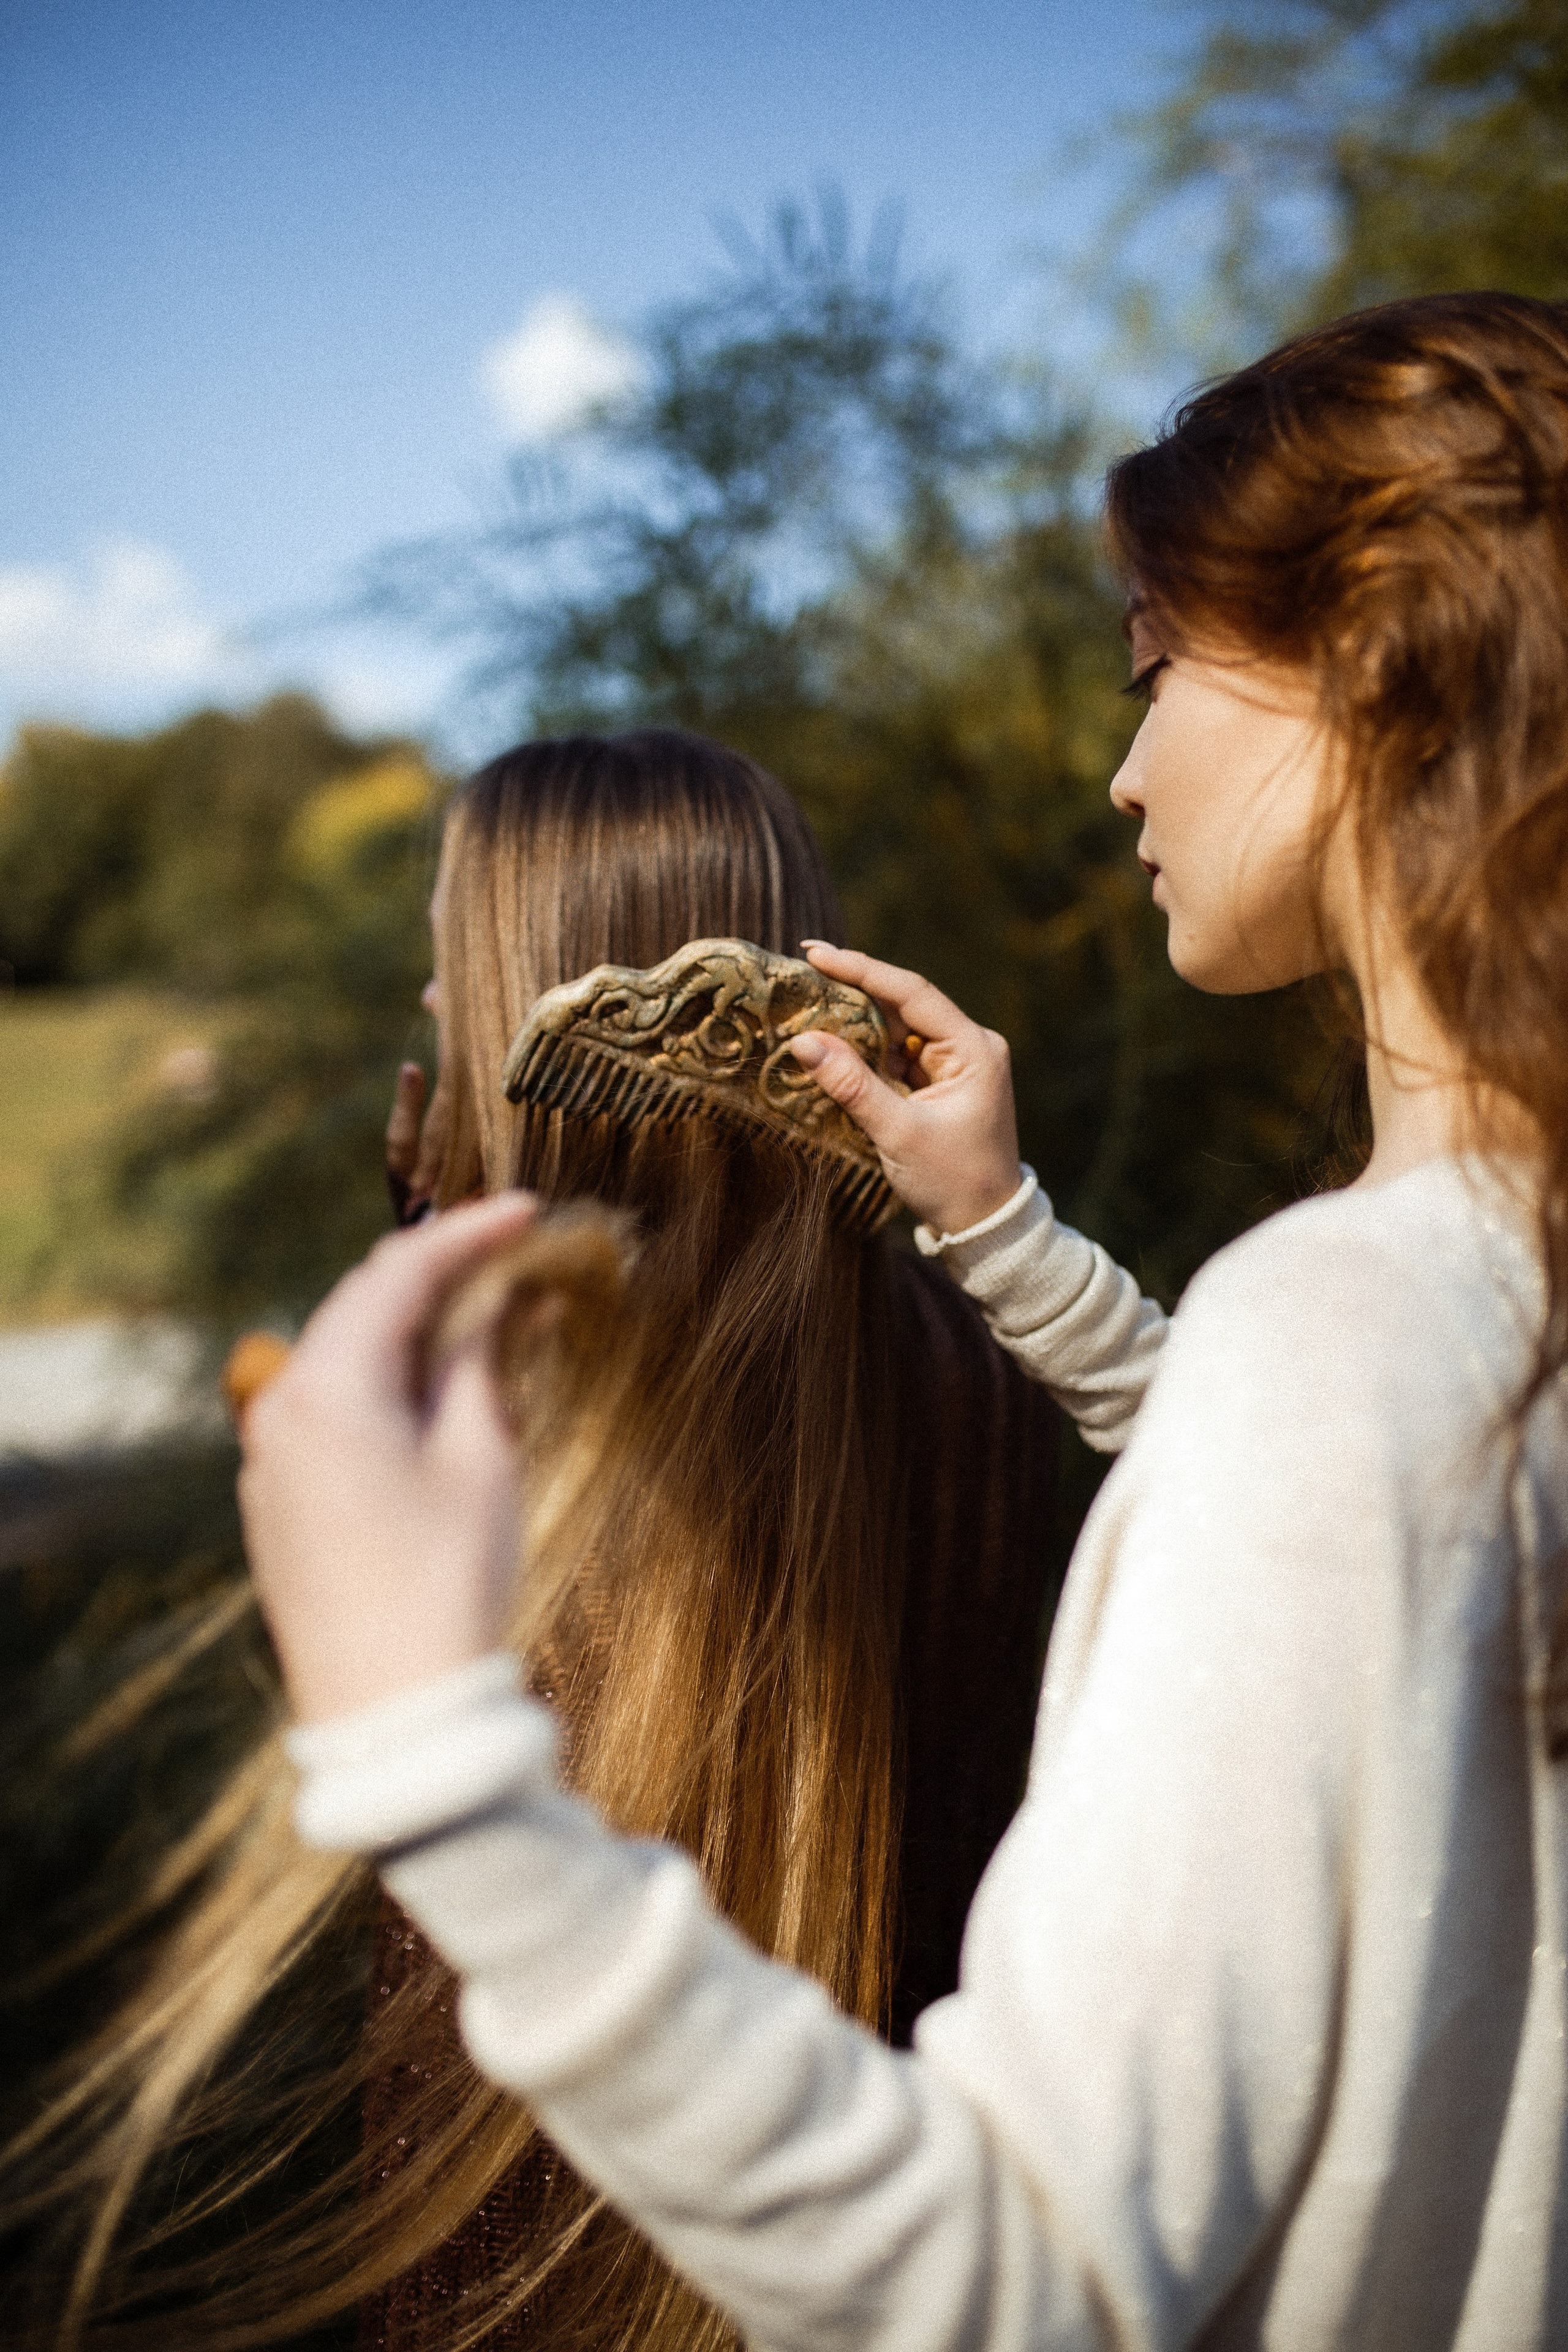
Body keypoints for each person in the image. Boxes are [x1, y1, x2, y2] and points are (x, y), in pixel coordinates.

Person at [241, 290, 1568, 2350]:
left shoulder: (1341, 1333)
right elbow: (1325, 1516)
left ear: (1376, 664)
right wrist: (1011, 1239)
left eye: (1157, 669)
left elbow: (1019, 2277)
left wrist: (429, 1751)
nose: (1127, 774)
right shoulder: (1486, 1305)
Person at [13, 731, 1158, 2352]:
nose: (427, 1010)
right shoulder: (986, 1368)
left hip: (523, 2235)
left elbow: (364, 1743)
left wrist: (414, 1301)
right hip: (877, 2222)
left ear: (526, 1000)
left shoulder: (480, 1403)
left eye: (443, 967)